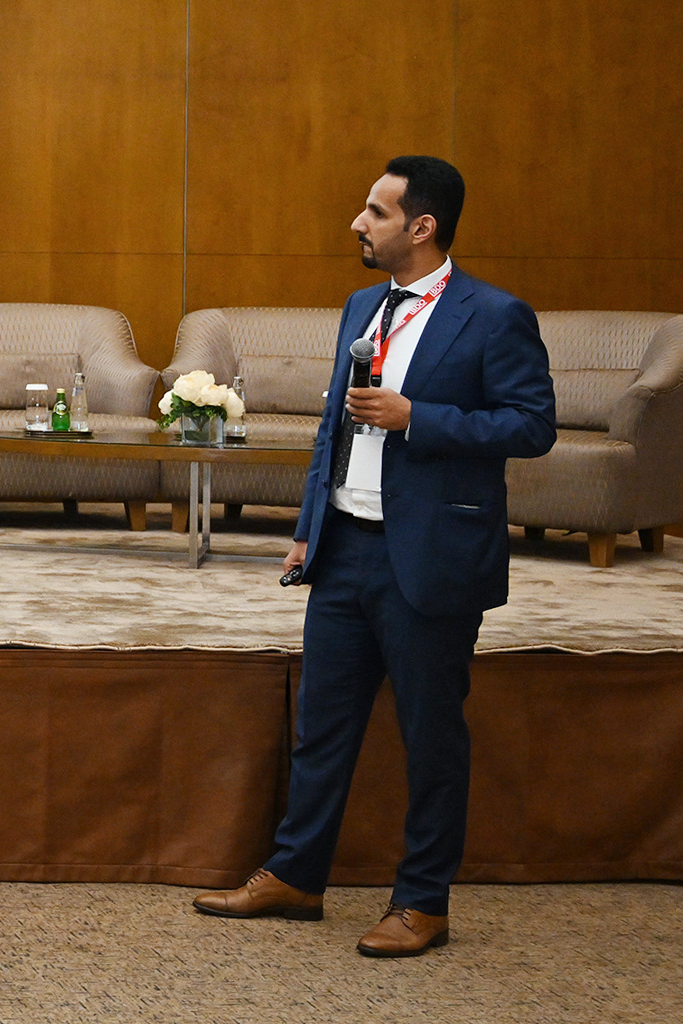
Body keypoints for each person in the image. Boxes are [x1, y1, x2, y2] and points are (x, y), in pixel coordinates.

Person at [194, 156, 553, 957]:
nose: (358, 224)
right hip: (345, 548)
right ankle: (296, 875)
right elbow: (333, 428)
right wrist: (308, 526)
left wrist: (416, 416)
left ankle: (423, 902)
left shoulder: (496, 316)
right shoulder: (363, 305)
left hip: (432, 558)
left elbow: (532, 425)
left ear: (422, 227)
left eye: (375, 212)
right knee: (321, 728)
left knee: (431, 737)